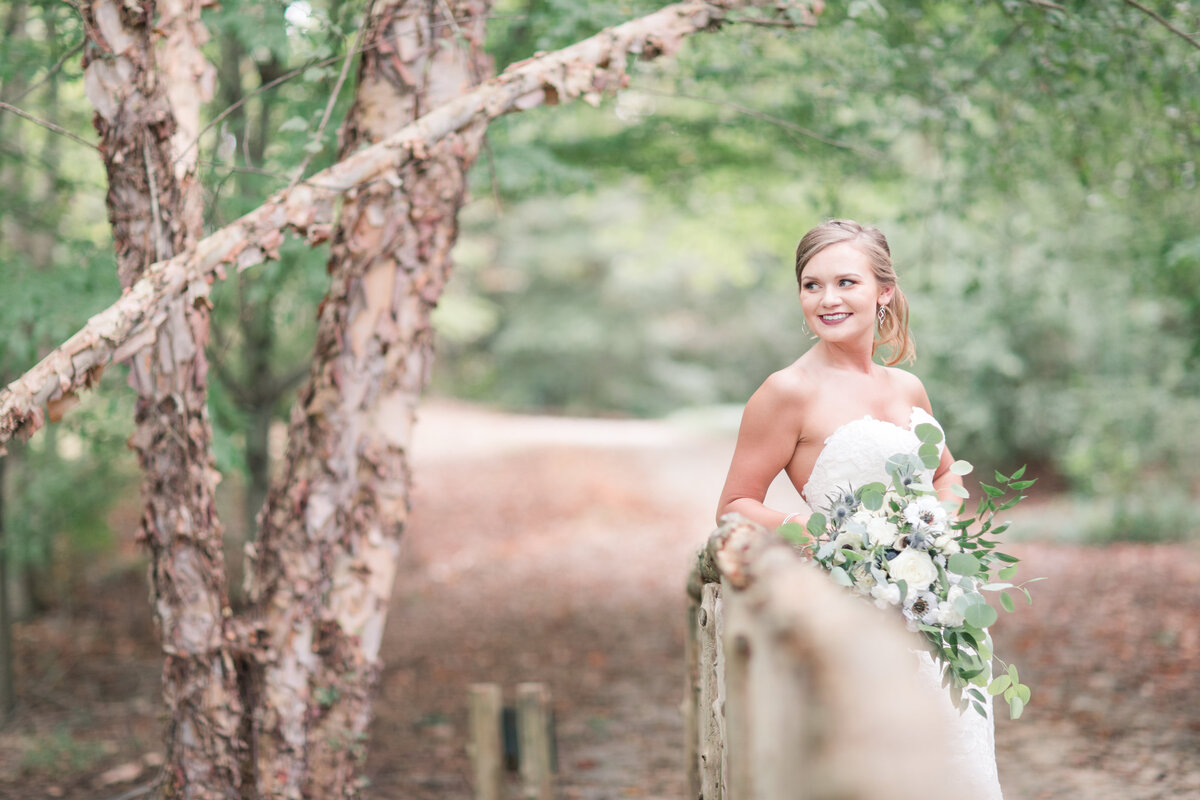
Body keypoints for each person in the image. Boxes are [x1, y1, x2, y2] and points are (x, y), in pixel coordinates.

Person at [715, 218, 1003, 798]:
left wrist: (933, 531)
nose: (828, 298)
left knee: (957, 769)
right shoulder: (787, 391)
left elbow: (945, 474)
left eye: (846, 282)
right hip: (852, 612)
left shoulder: (907, 388)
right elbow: (734, 506)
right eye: (812, 285)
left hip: (940, 611)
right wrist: (820, 533)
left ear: (884, 291)